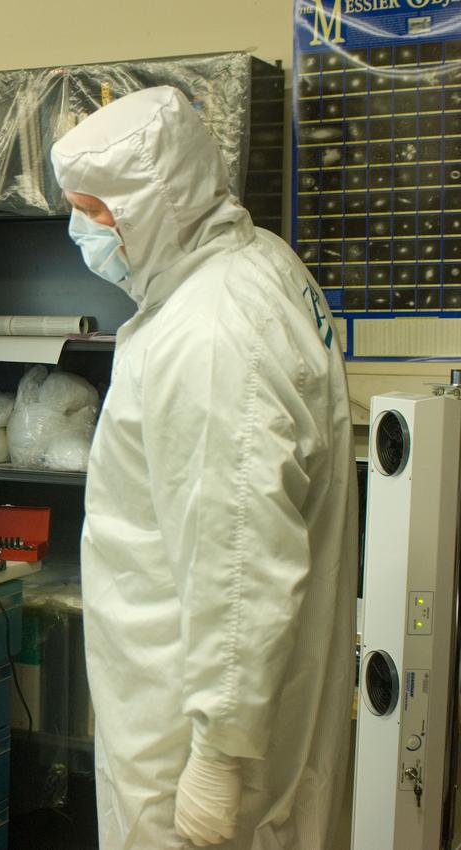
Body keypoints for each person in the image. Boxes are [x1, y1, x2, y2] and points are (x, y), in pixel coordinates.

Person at [48, 86, 357, 849]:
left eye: (94, 211)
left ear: (154, 202)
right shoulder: (248, 268)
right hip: (187, 706)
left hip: (194, 744)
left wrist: (217, 758)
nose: (82, 231)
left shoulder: (211, 331)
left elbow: (242, 559)